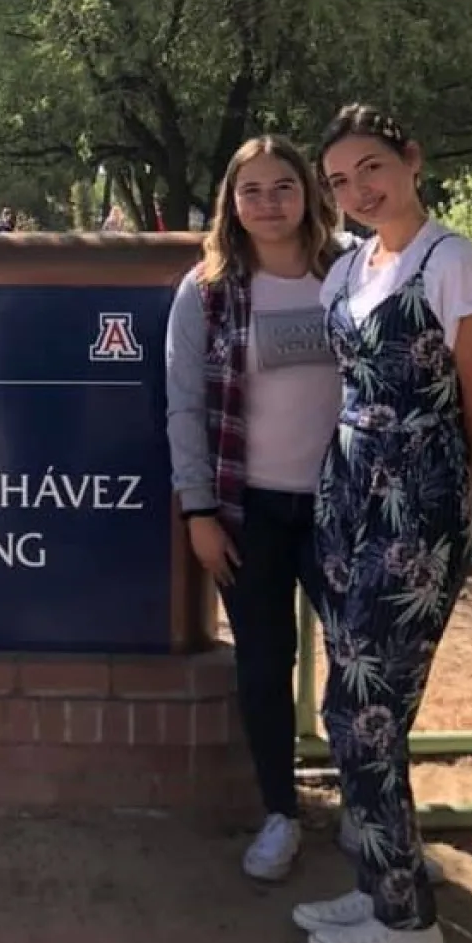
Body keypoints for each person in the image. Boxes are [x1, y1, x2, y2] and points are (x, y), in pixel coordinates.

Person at [296, 105, 472, 943]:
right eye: (340, 182)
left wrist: (445, 500)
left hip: (412, 510)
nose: (357, 191)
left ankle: (406, 921)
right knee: (354, 707)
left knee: (363, 713)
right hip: (344, 497)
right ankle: (383, 875)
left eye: (371, 169)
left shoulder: (456, 263)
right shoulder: (347, 269)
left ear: (412, 160)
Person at [166, 135, 343, 882]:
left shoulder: (354, 272)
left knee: (367, 666)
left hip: (348, 507)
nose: (268, 203)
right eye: (251, 191)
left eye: (283, 187)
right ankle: (281, 812)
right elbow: (184, 407)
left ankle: (375, 813)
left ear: (308, 192)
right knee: (266, 665)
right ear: (230, 204)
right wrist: (197, 511)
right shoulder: (206, 289)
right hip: (249, 510)